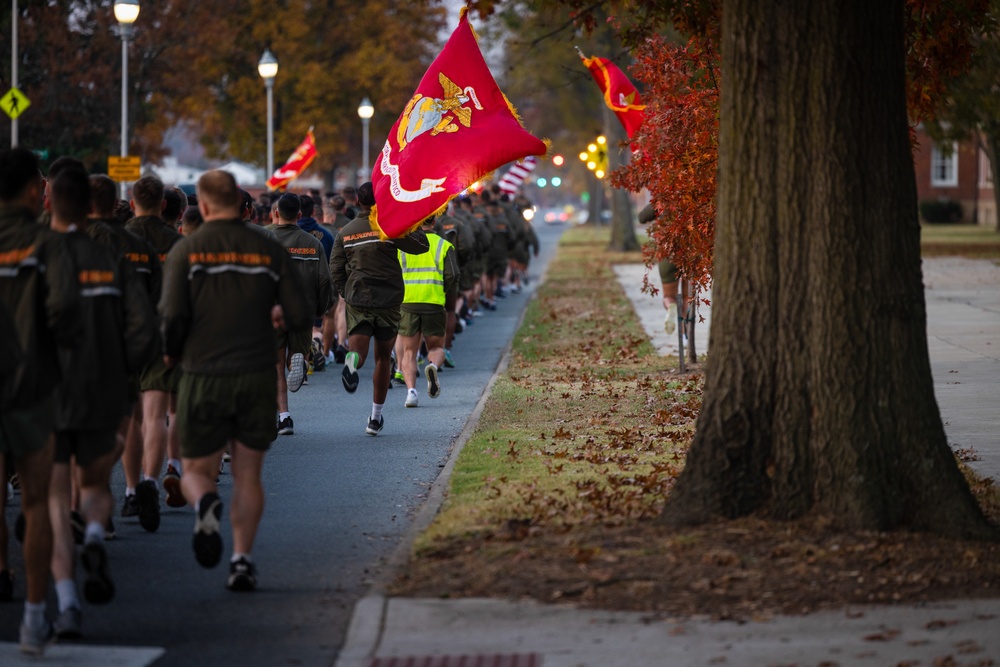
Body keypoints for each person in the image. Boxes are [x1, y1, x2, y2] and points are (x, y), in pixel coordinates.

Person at [160, 170, 310, 591]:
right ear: (242, 204)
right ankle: (242, 560)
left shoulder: (186, 250)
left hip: (201, 373)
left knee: (195, 468)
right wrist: (280, 315)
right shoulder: (266, 248)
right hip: (256, 373)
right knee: (249, 475)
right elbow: (301, 312)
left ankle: (205, 501)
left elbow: (171, 316)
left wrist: (171, 354)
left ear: (203, 206)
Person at [46, 164, 156, 638]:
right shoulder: (118, 257)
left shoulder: (35, 256)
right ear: (114, 205)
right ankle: (94, 530)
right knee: (93, 479)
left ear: (51, 202)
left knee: (52, 494)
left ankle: (66, 601)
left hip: (49, 387)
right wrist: (124, 364)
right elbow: (144, 320)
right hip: (104, 379)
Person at [0, 147, 83, 655]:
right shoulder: (47, 246)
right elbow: (67, 319)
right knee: (35, 501)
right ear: (35, 192)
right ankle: (34, 615)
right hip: (33, 389)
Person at [329, 182, 429, 435]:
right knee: (383, 358)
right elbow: (422, 245)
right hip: (389, 299)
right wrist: (407, 217)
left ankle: (351, 363)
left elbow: (335, 270)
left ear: (357, 202)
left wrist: (346, 292)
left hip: (358, 299)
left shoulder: (346, 232)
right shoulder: (390, 226)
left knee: (358, 351)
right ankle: (375, 418)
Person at [125, 176, 183, 530]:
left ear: (132, 203)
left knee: (130, 418)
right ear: (164, 205)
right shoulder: (177, 244)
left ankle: (132, 490)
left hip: (122, 337)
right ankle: (151, 478)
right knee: (157, 413)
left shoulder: (116, 238)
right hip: (162, 336)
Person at [265, 193, 333, 435]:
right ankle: (300, 360)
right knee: (297, 352)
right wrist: (320, 310)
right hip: (302, 311)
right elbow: (325, 280)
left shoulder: (266, 237)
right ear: (300, 215)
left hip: (273, 311)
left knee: (275, 368)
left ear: (275, 213)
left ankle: (284, 417)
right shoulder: (313, 243)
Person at [395, 216, 459, 407]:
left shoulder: (404, 246)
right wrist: (442, 291)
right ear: (434, 223)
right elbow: (453, 275)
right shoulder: (444, 245)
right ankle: (432, 366)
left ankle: (411, 393)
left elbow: (395, 271)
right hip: (433, 302)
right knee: (436, 348)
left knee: (409, 352)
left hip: (408, 303)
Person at [638, 204, 684, 335]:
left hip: (668, 254)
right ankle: (687, 332)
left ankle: (671, 306)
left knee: (669, 296)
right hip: (691, 251)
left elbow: (641, 218)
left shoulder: (664, 199)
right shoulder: (696, 193)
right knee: (688, 298)